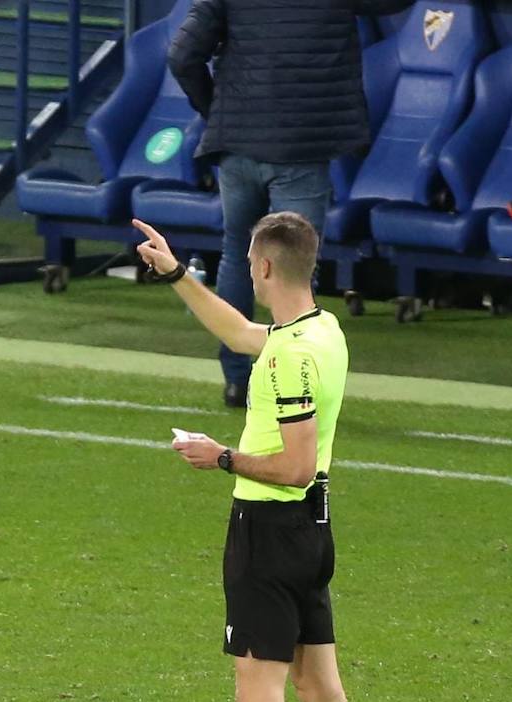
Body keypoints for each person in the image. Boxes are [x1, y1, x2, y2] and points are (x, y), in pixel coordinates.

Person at [133, 212, 353, 702]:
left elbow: (292, 464)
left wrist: (220, 456)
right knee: (321, 686)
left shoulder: (288, 357)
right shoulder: (322, 331)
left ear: (261, 267)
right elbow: (239, 331)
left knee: (256, 690)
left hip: (268, 532)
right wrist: (176, 273)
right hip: (313, 534)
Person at [167, 0, 412, 408]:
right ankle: (290, 382)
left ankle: (237, 379)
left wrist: (217, 112)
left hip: (238, 144)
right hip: (301, 146)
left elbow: (182, 56)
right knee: (295, 270)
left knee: (236, 254)